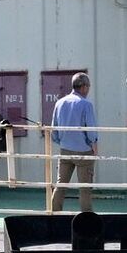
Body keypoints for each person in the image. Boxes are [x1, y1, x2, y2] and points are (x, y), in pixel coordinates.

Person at [48, 72, 98, 212]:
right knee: (85, 188)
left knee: (60, 186)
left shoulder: (60, 103)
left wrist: (62, 141)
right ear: (84, 87)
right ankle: (86, 219)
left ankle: (54, 215)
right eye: (88, 86)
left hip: (65, 150)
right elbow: (91, 131)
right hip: (84, 151)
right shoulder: (86, 104)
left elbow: (54, 130)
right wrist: (94, 144)